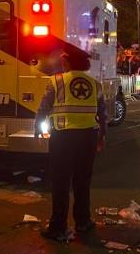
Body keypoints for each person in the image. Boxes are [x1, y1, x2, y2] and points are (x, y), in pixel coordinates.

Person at [35, 51, 107, 241]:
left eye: (63, 60)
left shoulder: (56, 81)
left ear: (66, 61)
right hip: (88, 137)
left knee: (60, 183)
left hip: (63, 137)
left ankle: (58, 227)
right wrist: (101, 137)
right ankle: (83, 222)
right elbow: (103, 114)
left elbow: (43, 107)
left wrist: (37, 128)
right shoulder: (95, 84)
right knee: (83, 181)